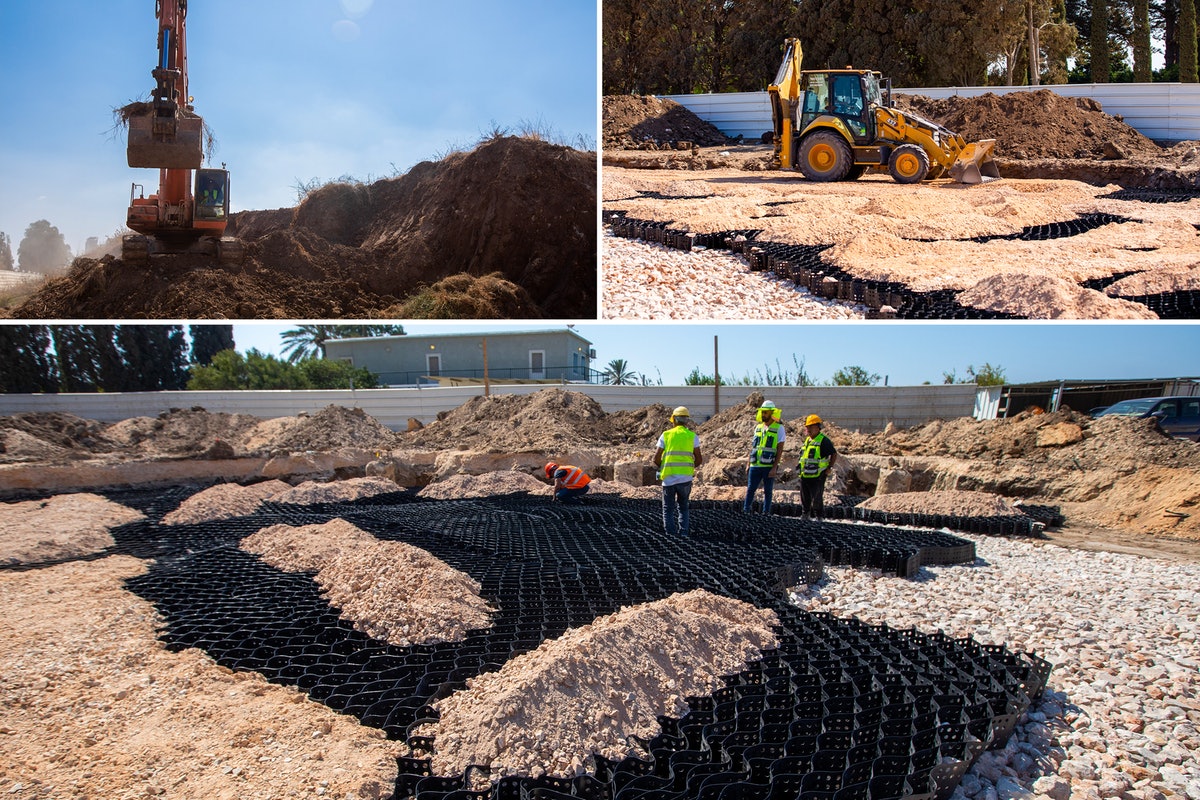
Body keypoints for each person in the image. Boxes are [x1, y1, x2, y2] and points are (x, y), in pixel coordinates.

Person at [653, 406, 703, 537]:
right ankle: (684, 533)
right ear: (686, 421)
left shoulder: (666, 435)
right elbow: (699, 459)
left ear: (673, 420)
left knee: (668, 509)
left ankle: (670, 535)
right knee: (683, 507)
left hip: (669, 479)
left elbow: (656, 457)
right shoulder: (692, 436)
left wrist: (660, 466)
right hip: (686, 479)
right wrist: (690, 468)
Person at [744, 400, 785, 514]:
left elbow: (780, 449)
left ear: (772, 413)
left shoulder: (779, 428)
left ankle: (766, 512)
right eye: (762, 412)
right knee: (750, 489)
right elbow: (753, 447)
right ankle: (746, 510)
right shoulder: (758, 427)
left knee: (768, 491)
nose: (763, 415)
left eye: (765, 412)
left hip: (768, 465)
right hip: (755, 464)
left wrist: (774, 467)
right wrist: (748, 463)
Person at [798, 414, 837, 518]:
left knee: (817, 498)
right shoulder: (807, 440)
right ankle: (805, 515)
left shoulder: (823, 440)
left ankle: (819, 517)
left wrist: (829, 468)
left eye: (810, 427)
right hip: (805, 474)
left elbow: (833, 454)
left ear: (818, 427)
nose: (808, 429)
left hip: (818, 475)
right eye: (807, 427)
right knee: (805, 497)